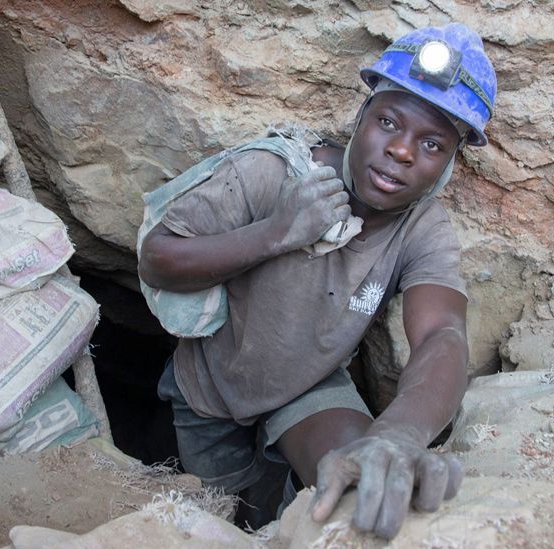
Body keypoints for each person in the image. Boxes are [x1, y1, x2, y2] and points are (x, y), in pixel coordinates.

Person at [137, 22, 496, 539]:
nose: (402, 151)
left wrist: (399, 435)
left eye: (433, 144)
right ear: (360, 119)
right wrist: (278, 232)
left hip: (308, 389)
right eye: (389, 121)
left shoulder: (423, 228)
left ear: (446, 166)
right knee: (221, 515)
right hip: (208, 391)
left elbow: (442, 333)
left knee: (352, 479)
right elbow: (157, 259)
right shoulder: (275, 171)